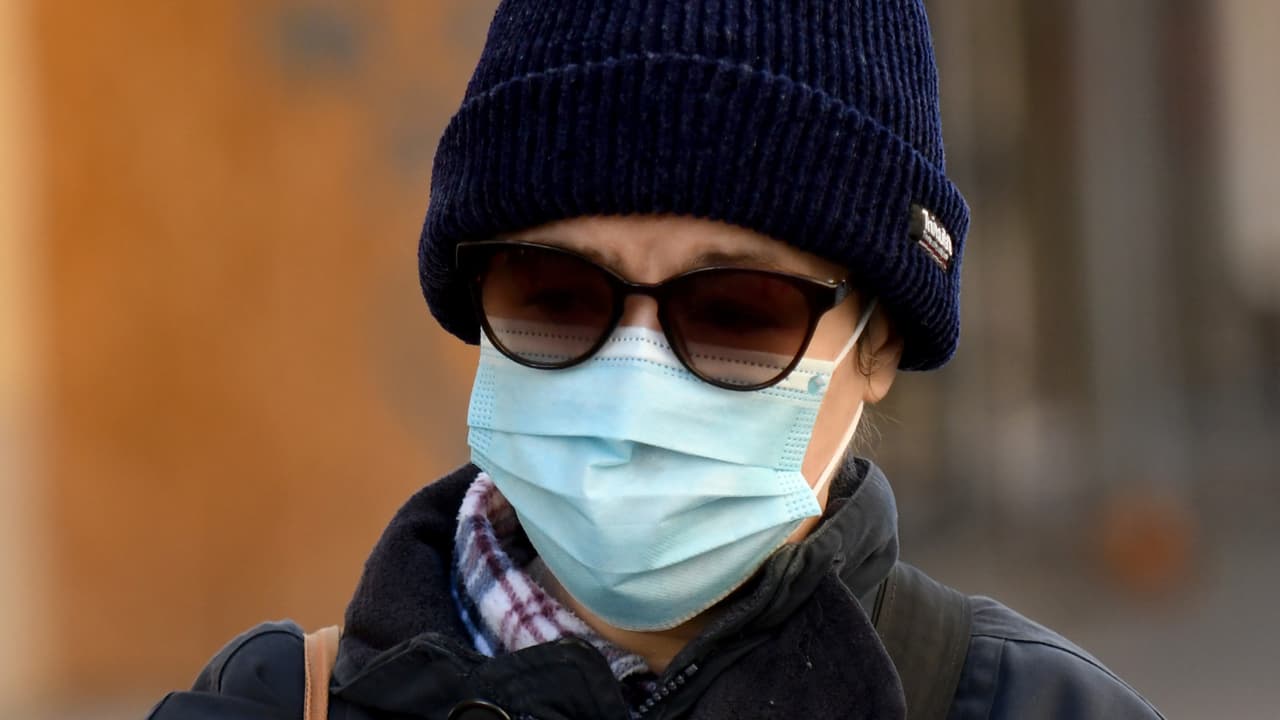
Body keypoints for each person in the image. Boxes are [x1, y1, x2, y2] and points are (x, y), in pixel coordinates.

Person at [148, 2, 1165, 718]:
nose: (633, 383)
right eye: (555, 294)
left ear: (879, 342)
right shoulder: (273, 705)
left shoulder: (1034, 709)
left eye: (736, 310)